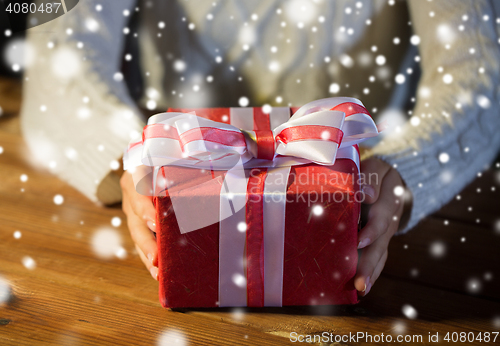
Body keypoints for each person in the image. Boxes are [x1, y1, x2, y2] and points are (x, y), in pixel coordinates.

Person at [20, 0, 500, 297]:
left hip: (359, 187)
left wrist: (404, 168)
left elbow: (482, 79)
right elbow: (55, 52)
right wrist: (132, 158)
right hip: (182, 164)